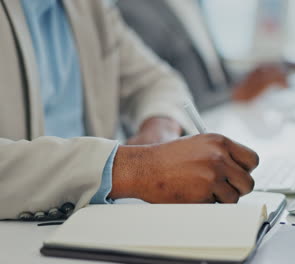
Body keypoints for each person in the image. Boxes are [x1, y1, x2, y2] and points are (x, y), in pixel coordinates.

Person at [0, 0, 258, 221]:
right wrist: (137, 169)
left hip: (96, 219)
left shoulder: (89, 6)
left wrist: (160, 132)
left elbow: (157, 80)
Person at [117, 0, 295, 111]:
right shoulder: (134, 10)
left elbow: (216, 74)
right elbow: (158, 103)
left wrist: (259, 77)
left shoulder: (194, 5)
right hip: (192, 138)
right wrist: (235, 96)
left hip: (227, 125)